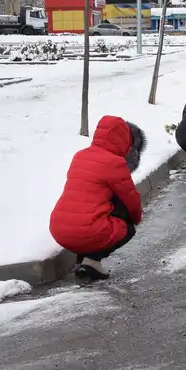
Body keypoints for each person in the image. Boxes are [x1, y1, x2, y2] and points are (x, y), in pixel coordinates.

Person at [49, 116, 146, 280]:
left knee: (88, 206)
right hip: (86, 232)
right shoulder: (115, 163)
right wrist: (136, 219)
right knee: (126, 226)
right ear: (124, 139)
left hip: (58, 229)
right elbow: (131, 199)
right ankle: (92, 262)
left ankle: (81, 261)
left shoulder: (80, 155)